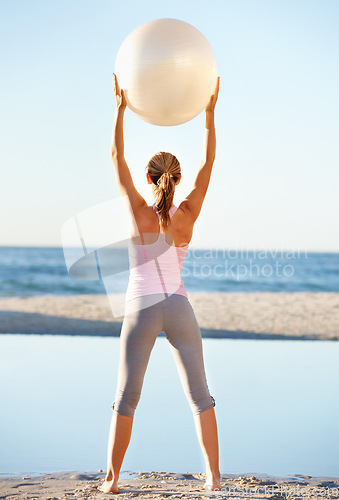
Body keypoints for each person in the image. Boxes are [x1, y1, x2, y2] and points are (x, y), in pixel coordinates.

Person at [98, 73, 221, 494]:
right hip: (180, 308)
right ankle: (214, 478)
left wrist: (120, 110)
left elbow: (115, 154)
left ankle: (113, 481)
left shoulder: (138, 212)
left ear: (149, 179)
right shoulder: (187, 215)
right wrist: (209, 114)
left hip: (142, 309)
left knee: (126, 398)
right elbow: (209, 165)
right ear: (178, 180)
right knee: (201, 397)